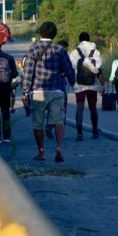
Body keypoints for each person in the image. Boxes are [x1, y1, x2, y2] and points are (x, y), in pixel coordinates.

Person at [22, 21, 76, 163]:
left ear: (40, 33)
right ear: (54, 34)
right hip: (57, 90)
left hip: (38, 91)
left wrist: (25, 91)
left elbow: (28, 72)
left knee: (38, 123)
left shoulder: (33, 49)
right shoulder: (60, 50)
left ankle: (41, 152)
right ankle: (59, 147)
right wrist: (72, 82)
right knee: (58, 120)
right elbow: (69, 70)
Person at [68, 32, 106, 142]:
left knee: (79, 109)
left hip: (79, 85)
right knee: (93, 109)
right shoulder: (96, 52)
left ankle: (79, 134)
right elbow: (99, 71)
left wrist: (71, 82)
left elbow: (71, 68)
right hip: (92, 85)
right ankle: (94, 132)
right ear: (89, 39)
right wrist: (102, 86)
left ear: (80, 40)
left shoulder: (75, 52)